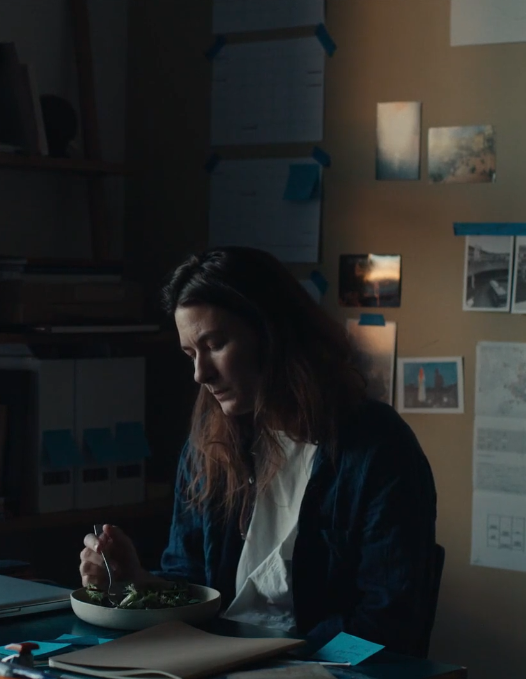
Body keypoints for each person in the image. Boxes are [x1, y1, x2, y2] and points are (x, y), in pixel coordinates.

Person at [78, 247, 438, 655]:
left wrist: (286, 662)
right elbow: (190, 582)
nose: (200, 373)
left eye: (215, 344)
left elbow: (388, 619)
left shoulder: (376, 447)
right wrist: (138, 583)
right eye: (190, 354)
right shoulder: (207, 447)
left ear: (272, 334)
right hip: (216, 662)